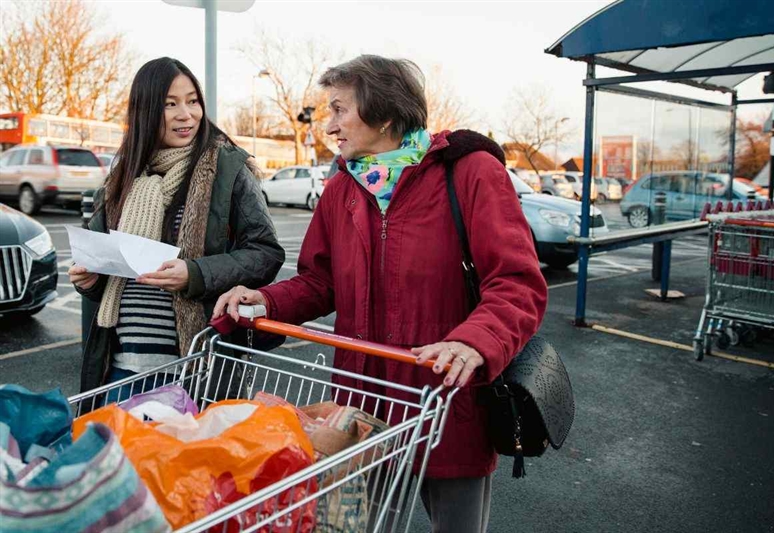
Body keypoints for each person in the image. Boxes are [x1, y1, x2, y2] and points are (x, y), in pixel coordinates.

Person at [213, 55, 547, 533]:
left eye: (339, 110)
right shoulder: (341, 190)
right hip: (360, 411)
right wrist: (265, 301)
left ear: (386, 114)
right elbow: (320, 281)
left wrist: (473, 341)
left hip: (444, 403)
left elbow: (517, 283)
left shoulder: (469, 173)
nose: (329, 126)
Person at [69, 57, 284, 398]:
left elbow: (265, 253)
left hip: (195, 369)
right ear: (145, 111)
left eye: (193, 101)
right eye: (170, 104)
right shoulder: (122, 178)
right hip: (121, 368)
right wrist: (90, 281)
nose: (187, 114)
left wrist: (194, 273)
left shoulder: (228, 169)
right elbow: (106, 269)